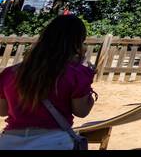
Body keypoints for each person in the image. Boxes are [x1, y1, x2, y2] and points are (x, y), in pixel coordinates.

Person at [0, 14, 97, 149]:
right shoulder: (76, 73)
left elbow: (2, 110)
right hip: (54, 142)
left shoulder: (10, 73)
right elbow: (81, 111)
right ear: (77, 42)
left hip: (11, 142)